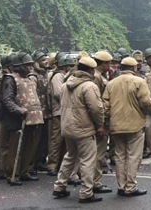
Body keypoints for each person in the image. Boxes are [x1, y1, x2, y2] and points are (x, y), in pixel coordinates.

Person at [52, 56, 106, 204]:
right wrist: (100, 125)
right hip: (84, 128)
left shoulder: (65, 84)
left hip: (68, 127)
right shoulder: (89, 86)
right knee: (88, 160)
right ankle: (86, 192)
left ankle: (60, 186)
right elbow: (96, 109)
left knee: (70, 156)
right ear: (90, 70)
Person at [104, 57, 151, 197]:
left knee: (120, 156)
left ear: (121, 68)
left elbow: (105, 106)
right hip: (134, 125)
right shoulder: (139, 82)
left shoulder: (111, 83)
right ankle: (131, 186)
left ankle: (121, 186)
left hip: (116, 125)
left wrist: (106, 122)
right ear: (135, 68)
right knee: (133, 156)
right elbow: (146, 102)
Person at [2, 53, 44, 186]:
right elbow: (7, 99)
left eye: (31, 65)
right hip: (17, 119)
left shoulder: (30, 79)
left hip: (32, 119)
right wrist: (18, 110)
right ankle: (12, 174)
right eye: (27, 65)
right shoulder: (10, 79)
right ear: (19, 66)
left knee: (29, 147)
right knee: (15, 149)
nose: (30, 67)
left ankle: (25, 171)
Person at [47, 53, 76, 176]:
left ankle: (60, 164)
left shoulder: (64, 76)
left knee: (65, 141)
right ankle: (52, 165)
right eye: (69, 66)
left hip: (64, 111)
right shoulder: (58, 76)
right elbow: (59, 94)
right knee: (56, 140)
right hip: (59, 111)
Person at [91, 50, 113, 193]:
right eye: (108, 63)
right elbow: (97, 102)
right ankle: (95, 182)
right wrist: (100, 123)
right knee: (98, 153)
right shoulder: (96, 77)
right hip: (100, 120)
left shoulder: (101, 76)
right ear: (103, 63)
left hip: (101, 118)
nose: (110, 65)